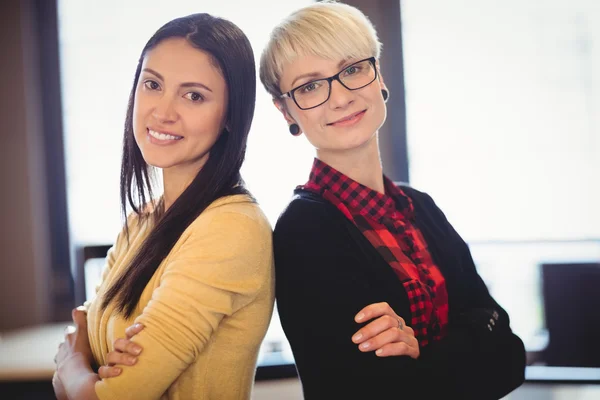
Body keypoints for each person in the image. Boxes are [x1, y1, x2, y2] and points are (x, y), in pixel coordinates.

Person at [258, 1, 526, 399]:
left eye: (351, 69)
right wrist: (471, 339)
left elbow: (511, 352)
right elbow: (380, 389)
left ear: (377, 74)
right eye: (310, 86)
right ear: (286, 111)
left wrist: (422, 350)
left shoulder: (421, 207)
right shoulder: (305, 228)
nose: (340, 97)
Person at [53, 13, 274, 400]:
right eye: (153, 84)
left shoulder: (232, 227)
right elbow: (83, 323)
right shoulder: (142, 222)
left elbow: (113, 393)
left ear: (229, 116)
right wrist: (90, 367)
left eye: (194, 95)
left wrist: (73, 367)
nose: (163, 112)